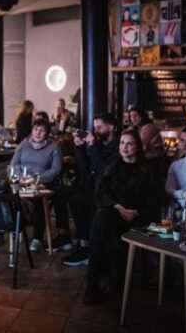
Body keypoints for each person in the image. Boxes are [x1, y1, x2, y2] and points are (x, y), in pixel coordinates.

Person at [84, 130, 159, 305]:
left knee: (101, 224)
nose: (124, 147)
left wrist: (134, 212)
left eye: (129, 144)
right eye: (122, 143)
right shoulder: (111, 167)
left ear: (137, 147)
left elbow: (154, 200)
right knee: (102, 217)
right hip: (114, 213)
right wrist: (119, 208)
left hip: (138, 217)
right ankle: (94, 282)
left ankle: (104, 278)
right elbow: (100, 193)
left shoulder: (148, 171)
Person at [61, 112, 121, 267]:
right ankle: (63, 236)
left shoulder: (119, 145)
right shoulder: (100, 144)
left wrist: (93, 147)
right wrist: (79, 148)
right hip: (94, 186)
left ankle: (85, 247)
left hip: (109, 190)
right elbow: (85, 169)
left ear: (111, 127)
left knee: (78, 200)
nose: (96, 131)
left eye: (99, 127)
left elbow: (103, 171)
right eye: (95, 128)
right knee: (59, 191)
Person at [9, 118, 63, 252]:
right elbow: (14, 164)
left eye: (42, 130)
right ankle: (1, 231)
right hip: (21, 182)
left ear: (47, 133)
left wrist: (36, 178)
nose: (38, 133)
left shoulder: (54, 148)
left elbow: (56, 170)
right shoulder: (23, 144)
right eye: (35, 129)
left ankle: (37, 238)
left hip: (41, 184)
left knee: (37, 200)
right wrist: (20, 177)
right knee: (6, 196)